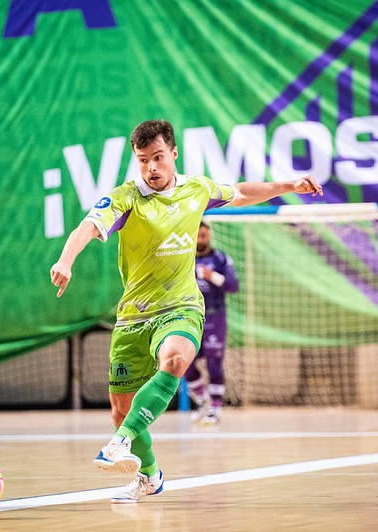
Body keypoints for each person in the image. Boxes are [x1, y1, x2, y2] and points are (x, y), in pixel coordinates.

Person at [50, 119, 322, 503]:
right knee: (121, 410)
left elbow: (242, 192)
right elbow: (87, 228)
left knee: (175, 359)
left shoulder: (198, 188)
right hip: (133, 317)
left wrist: (289, 186)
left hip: (182, 306)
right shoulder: (126, 197)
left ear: (174, 153)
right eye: (143, 160)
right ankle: (149, 477)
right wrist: (66, 260)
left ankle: (119, 442)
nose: (151, 168)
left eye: (158, 157)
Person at [187, 220, 239, 425]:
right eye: (198, 236)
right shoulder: (184, 258)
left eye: (204, 235)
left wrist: (213, 277)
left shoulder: (220, 259)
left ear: (209, 236)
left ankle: (215, 408)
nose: (201, 239)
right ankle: (201, 398)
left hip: (214, 316)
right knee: (185, 363)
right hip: (190, 316)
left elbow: (234, 286)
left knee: (214, 364)